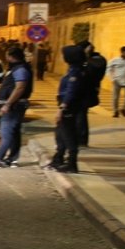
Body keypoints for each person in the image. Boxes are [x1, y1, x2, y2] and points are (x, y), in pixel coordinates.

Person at [0, 46, 33, 169]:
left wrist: (8, 104)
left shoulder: (20, 69)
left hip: (14, 106)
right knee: (14, 133)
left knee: (6, 133)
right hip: (15, 105)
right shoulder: (18, 68)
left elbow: (20, 87)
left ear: (10, 56)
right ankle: (11, 159)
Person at [44, 45, 87, 173]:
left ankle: (71, 163)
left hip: (68, 106)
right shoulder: (75, 69)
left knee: (68, 135)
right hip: (69, 105)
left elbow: (71, 91)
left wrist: (62, 108)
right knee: (60, 134)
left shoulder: (75, 72)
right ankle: (58, 159)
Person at [79, 42, 106, 147]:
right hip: (80, 90)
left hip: (87, 91)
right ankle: (78, 138)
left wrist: (86, 56)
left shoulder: (97, 59)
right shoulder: (83, 60)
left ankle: (82, 140)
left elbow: (96, 68)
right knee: (78, 116)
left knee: (81, 115)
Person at [107, 45, 125, 117]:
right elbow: (108, 69)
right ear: (122, 52)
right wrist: (112, 79)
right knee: (115, 97)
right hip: (117, 81)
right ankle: (115, 111)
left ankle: (124, 109)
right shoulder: (115, 60)